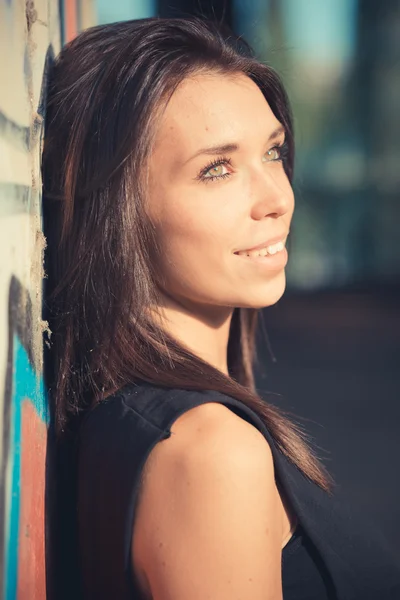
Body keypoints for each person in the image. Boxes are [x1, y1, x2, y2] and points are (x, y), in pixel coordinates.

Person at [42, 16, 400, 600]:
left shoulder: (139, 420)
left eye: (274, 151)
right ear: (119, 213)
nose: (277, 199)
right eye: (217, 169)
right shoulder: (211, 452)